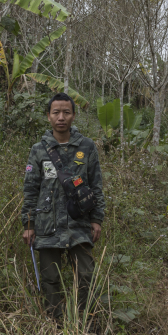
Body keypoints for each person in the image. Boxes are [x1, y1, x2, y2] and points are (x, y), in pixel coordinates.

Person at [20, 92, 105, 320]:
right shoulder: (39, 149)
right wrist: (28, 223)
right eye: (56, 112)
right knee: (50, 279)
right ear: (48, 116)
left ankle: (83, 323)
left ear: (73, 116)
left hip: (79, 223)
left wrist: (96, 219)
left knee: (85, 275)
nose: (61, 117)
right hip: (47, 224)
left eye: (66, 112)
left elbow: (96, 185)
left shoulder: (86, 147)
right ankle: (55, 325)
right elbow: (31, 189)